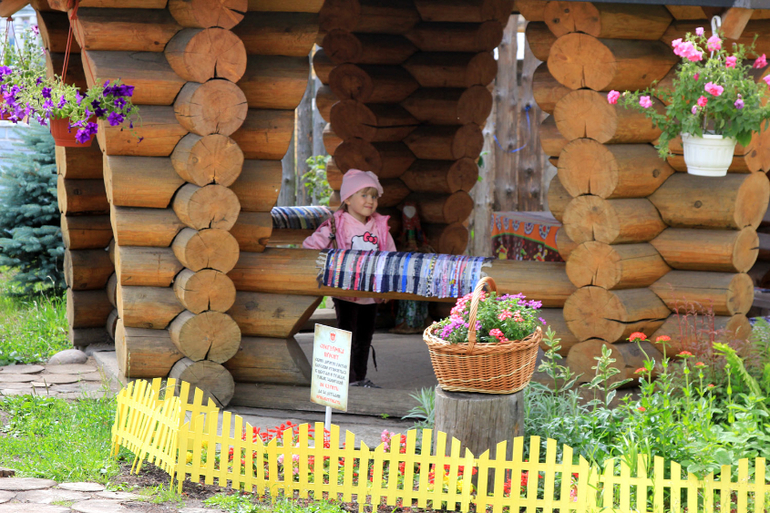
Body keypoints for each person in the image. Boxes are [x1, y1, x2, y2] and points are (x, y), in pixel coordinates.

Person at [303, 169, 397, 388]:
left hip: (371, 294)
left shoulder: (379, 226)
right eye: (364, 195)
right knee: (346, 336)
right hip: (346, 293)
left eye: (373, 196)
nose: (370, 201)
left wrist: (386, 290)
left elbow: (391, 256)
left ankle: (360, 379)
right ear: (347, 199)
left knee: (365, 339)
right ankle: (346, 379)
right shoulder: (336, 226)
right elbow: (309, 247)